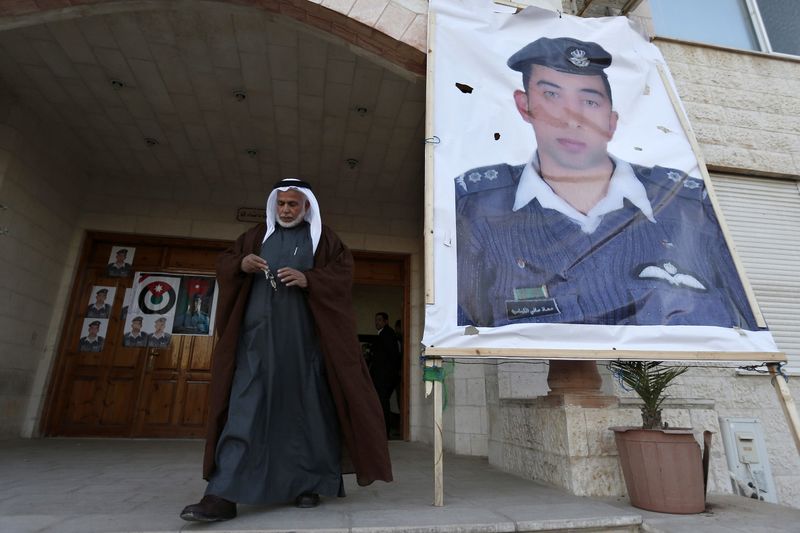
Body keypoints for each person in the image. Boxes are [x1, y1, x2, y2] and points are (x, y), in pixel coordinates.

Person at [455, 36, 758, 330]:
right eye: (551, 95)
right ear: (524, 106)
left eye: (589, 101)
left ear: (612, 121)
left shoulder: (686, 205)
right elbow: (462, 333)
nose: (571, 118)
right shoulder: (476, 208)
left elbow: (749, 328)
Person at [180, 178, 392, 522]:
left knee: (306, 415)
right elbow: (225, 262)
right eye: (281, 205)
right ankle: (222, 494)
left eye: (293, 204)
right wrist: (241, 264)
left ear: (306, 206)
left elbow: (343, 275)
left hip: (305, 348)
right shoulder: (254, 237)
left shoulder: (324, 240)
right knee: (243, 413)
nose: (286, 210)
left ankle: (306, 485)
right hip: (256, 346)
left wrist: (312, 279)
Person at [369, 312, 401, 438]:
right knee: (383, 403)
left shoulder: (386, 334)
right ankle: (383, 431)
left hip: (383, 378)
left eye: (379, 320)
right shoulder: (386, 334)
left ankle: (384, 432)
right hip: (385, 377)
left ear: (386, 321)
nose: (377, 322)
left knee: (383, 404)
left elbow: (390, 356)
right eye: (376, 320)